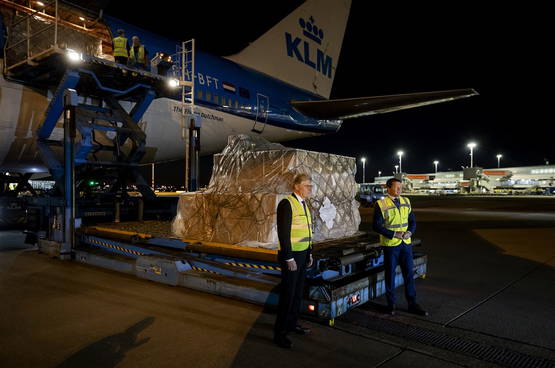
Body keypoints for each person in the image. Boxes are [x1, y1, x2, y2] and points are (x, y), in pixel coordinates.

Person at [373, 178, 428, 316]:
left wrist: (410, 232)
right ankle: (391, 305)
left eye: (400, 187)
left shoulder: (406, 201)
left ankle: (412, 304)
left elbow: (412, 221)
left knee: (409, 274)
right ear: (388, 188)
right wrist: (393, 234)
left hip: (406, 244)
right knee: (390, 275)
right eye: (397, 187)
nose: (399, 190)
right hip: (391, 245)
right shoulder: (381, 204)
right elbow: (376, 226)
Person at [273, 173, 314, 349]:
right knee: (288, 295)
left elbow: (307, 231)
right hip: (292, 257)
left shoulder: (304, 204)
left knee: (298, 293)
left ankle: (291, 324)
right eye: (307, 185)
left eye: (311, 186)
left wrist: (310, 252)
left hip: (303, 255)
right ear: (296, 186)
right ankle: (280, 334)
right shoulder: (286, 204)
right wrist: (288, 256)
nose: (310, 189)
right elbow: (283, 232)